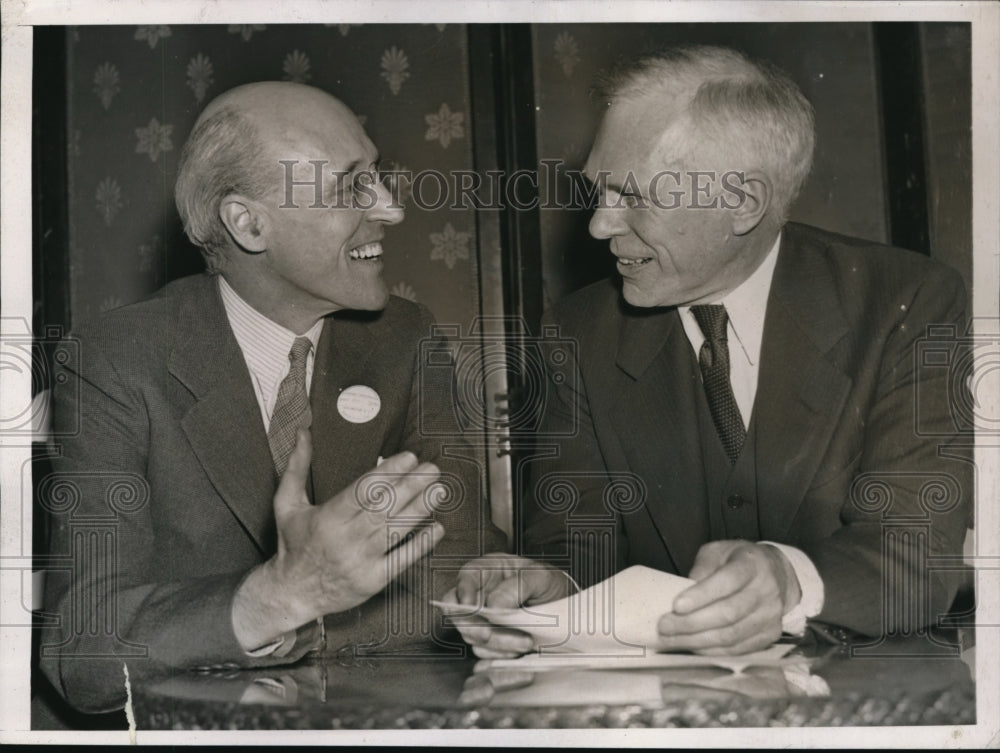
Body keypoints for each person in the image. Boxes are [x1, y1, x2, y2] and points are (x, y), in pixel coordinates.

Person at [448, 45, 972, 658]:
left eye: (632, 196)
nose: (598, 225)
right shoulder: (577, 330)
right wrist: (547, 588)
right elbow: (574, 543)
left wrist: (785, 582)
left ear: (743, 203)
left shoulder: (905, 302)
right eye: (598, 191)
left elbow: (915, 553)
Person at [40, 81, 501, 712]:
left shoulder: (405, 338)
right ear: (249, 223)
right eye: (351, 187)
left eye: (379, 176)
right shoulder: (117, 362)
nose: (391, 208)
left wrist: (517, 590)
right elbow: (84, 650)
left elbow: (459, 566)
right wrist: (279, 596)